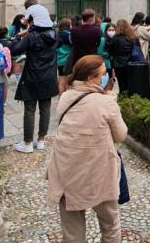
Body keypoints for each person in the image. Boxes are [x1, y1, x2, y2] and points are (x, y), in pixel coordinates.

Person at [47, 55, 127, 243]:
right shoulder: (106, 102)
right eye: (103, 74)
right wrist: (112, 103)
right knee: (110, 224)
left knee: (72, 232)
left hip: (66, 170)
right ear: (91, 78)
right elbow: (121, 135)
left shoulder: (66, 97)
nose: (106, 78)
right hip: (99, 172)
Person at [10, 5, 59, 153]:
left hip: (32, 76)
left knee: (30, 110)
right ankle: (41, 139)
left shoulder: (31, 36)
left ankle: (28, 143)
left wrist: (19, 36)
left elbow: (15, 49)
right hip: (49, 76)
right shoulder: (54, 34)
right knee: (45, 108)